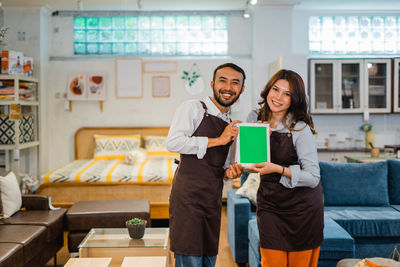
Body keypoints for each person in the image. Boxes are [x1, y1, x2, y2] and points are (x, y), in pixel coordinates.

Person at [167, 63, 245, 267]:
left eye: (235, 83)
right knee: (189, 256)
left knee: (209, 258)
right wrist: (218, 140)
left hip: (212, 198)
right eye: (223, 80)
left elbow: (224, 166)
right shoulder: (193, 108)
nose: (228, 87)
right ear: (212, 84)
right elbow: (173, 142)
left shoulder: (231, 124)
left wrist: (232, 172)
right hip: (188, 197)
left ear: (241, 89)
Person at [246, 69, 323, 267]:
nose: (278, 97)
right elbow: (251, 165)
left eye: (286, 94)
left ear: (294, 99)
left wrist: (278, 169)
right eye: (276, 89)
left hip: (303, 210)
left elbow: (313, 177)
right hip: (270, 206)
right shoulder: (254, 119)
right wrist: (239, 164)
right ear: (268, 90)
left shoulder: (299, 128)